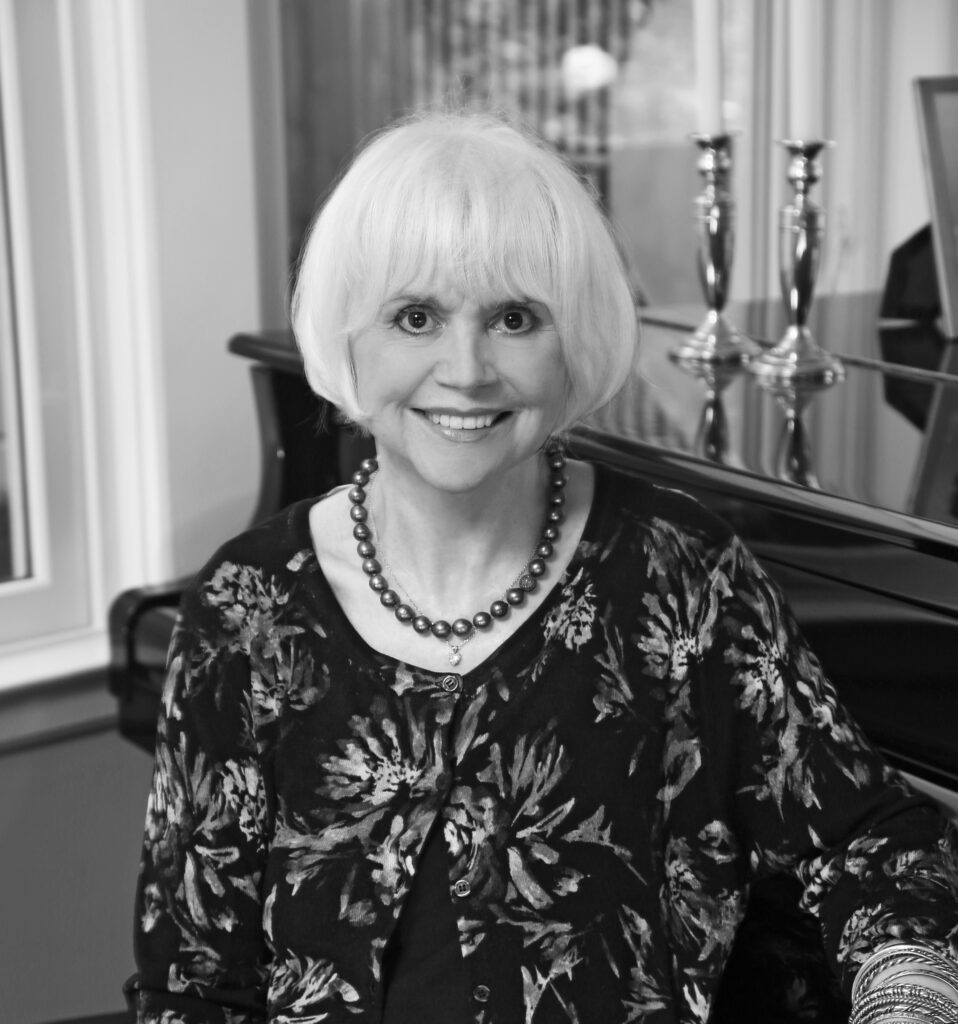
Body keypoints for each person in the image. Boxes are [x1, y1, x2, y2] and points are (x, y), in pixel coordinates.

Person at [126, 109, 958, 1024]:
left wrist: (909, 999)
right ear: (348, 339)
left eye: (515, 318)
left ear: (573, 344)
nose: (468, 369)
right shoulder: (248, 604)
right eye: (416, 317)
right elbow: (194, 979)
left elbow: (876, 845)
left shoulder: (680, 569)